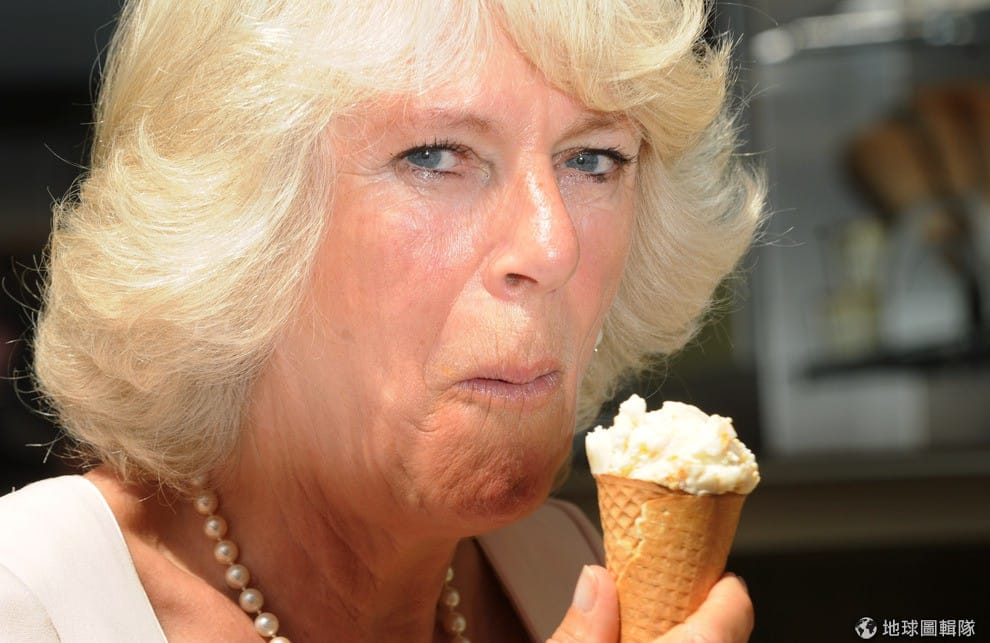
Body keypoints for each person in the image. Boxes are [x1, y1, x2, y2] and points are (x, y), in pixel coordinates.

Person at [1, 0, 763, 641]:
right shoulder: (30, 602)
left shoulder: (569, 568)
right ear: (240, 221)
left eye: (594, 159)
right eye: (434, 155)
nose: (553, 245)